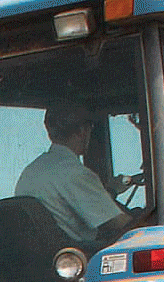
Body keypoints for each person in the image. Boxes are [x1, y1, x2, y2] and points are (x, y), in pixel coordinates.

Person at [14, 102, 134, 245]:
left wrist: (111, 191)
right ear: (83, 130)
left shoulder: (32, 171)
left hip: (47, 257)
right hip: (78, 257)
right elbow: (118, 223)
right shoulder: (74, 172)